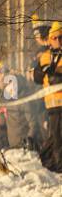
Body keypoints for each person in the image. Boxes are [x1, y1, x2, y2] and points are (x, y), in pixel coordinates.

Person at [31, 22, 62, 172]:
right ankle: (54, 165)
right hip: (52, 105)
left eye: (61, 37)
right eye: (55, 38)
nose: (58, 40)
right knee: (56, 136)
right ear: (50, 39)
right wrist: (42, 70)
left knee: (57, 137)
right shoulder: (45, 56)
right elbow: (37, 78)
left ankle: (51, 163)